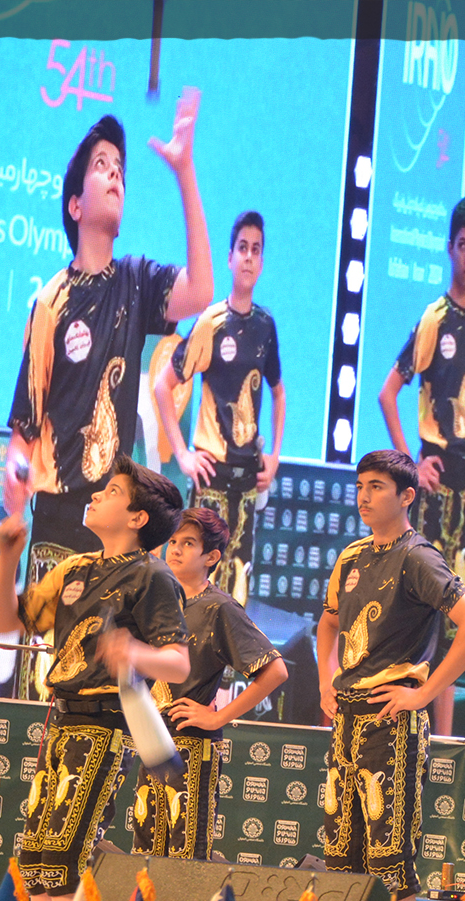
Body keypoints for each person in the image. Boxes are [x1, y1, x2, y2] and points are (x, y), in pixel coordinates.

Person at [3, 92, 214, 699]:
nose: (116, 174)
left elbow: (201, 290)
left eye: (120, 167)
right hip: (57, 521)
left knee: (102, 695)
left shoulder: (137, 282)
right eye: (102, 165)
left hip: (117, 529)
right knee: (41, 691)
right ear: (75, 204)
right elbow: (24, 430)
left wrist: (184, 170)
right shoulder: (49, 303)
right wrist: (14, 483)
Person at [0, 456, 190, 901]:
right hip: (61, 722)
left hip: (104, 727)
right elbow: (6, 623)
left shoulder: (152, 575)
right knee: (35, 864)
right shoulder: (74, 568)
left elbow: (178, 664)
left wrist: (134, 652)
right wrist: (8, 559)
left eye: (113, 492)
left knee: (64, 862)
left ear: (138, 519)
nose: (96, 494)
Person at [317, 449, 465, 901]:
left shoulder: (417, 556)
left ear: (407, 495)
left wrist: (422, 694)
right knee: (340, 856)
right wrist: (325, 680)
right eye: (360, 486)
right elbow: (328, 623)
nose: (364, 496)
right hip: (346, 719)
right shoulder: (351, 556)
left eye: (376, 487)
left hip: (391, 721)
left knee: (390, 860)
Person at [376, 198, 465, 735]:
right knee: (422, 606)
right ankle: (407, 727)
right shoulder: (434, 319)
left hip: (463, 494)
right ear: (450, 249)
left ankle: (446, 739)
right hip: (429, 490)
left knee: (457, 619)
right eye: (463, 246)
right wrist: (410, 464)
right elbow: (388, 392)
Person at [131, 507, 288, 859]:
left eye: (188, 543)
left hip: (191, 748)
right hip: (152, 742)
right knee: (144, 857)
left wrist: (218, 717)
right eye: (173, 541)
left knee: (184, 860)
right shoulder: (157, 602)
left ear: (212, 557)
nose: (175, 549)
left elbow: (275, 671)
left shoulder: (219, 608)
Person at [153, 210, 287, 606]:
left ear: (262, 262)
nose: (248, 257)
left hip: (246, 483)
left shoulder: (265, 327)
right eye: (242, 248)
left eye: (256, 250)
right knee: (196, 592)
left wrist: (275, 457)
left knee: (236, 594)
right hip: (210, 479)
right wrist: (183, 454)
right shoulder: (211, 322)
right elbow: (163, 386)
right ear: (229, 258)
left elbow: (279, 394)